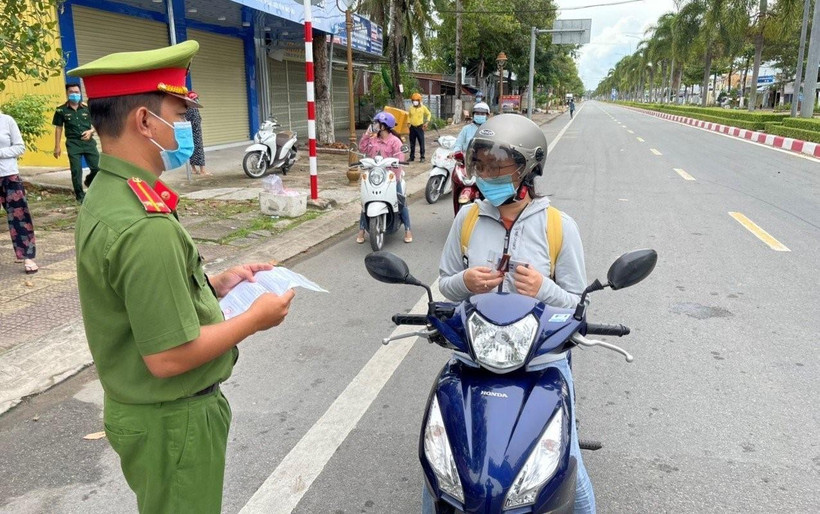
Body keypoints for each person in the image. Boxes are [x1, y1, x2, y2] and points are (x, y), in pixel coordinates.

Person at [68, 40, 295, 513]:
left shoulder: (109, 193)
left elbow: (138, 298)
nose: (186, 126)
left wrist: (214, 285)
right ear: (144, 121)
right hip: (173, 420)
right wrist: (255, 319)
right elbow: (168, 358)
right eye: (178, 113)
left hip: (151, 414)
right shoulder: (143, 224)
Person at [430, 114, 596, 513]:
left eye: (497, 168)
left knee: (571, 466)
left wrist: (543, 289)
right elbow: (444, 285)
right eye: (482, 166)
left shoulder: (559, 227)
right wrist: (466, 281)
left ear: (528, 169)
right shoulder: (467, 219)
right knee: (440, 469)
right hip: (473, 355)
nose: (487, 176)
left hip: (541, 360)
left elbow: (577, 303)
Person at [355, 111, 413, 244]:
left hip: (390, 178)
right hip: (374, 177)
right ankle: (362, 229)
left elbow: (399, 160)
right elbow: (362, 149)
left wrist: (394, 177)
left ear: (385, 126)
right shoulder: (372, 139)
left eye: (377, 123)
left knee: (400, 201)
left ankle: (408, 229)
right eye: (375, 123)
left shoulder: (395, 141)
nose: (375, 125)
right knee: (365, 201)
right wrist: (366, 134)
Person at [0, 110, 38, 274]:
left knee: (20, 217)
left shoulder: (6, 120)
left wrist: (0, 153)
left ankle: (27, 257)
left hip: (9, 176)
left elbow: (20, 147)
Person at [53, 83, 100, 202]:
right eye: (71, 92)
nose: (75, 94)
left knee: (97, 168)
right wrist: (57, 146)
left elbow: (98, 122)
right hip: (73, 143)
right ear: (67, 93)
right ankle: (80, 196)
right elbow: (58, 128)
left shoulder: (87, 108)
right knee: (76, 170)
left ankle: (90, 182)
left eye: (77, 92)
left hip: (88, 142)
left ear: (80, 93)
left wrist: (91, 131)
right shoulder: (61, 110)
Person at [185, 91, 209, 175]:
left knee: (192, 151)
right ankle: (202, 171)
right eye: (196, 99)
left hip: (190, 133)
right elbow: (196, 121)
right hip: (196, 133)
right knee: (199, 151)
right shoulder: (194, 109)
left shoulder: (188, 109)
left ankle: (193, 169)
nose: (197, 100)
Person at [407, 92, 431, 163]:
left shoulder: (423, 108)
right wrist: (408, 122)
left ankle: (422, 157)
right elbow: (409, 116)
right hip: (412, 128)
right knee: (412, 143)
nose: (415, 102)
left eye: (416, 100)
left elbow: (428, 114)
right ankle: (412, 157)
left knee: (421, 142)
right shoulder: (411, 108)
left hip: (420, 127)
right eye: (413, 100)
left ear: (419, 101)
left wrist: (427, 122)